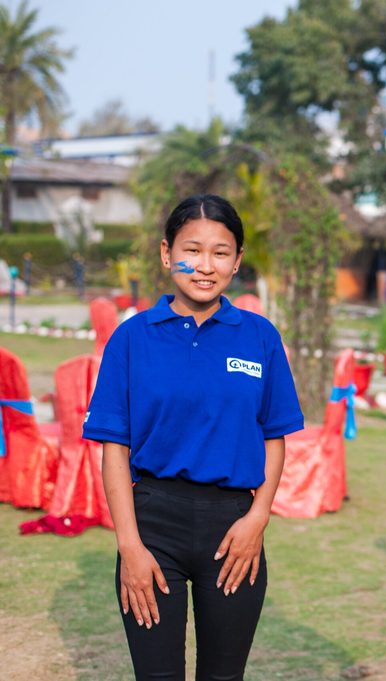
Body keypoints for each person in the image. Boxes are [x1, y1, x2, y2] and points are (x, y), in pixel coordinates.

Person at [84, 194, 303, 681]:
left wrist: (258, 519)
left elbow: (274, 437)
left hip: (233, 531)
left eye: (221, 252)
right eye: (192, 250)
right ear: (166, 254)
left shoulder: (259, 337)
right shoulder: (132, 338)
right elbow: (113, 449)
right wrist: (130, 548)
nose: (205, 266)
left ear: (237, 261)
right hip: (152, 528)